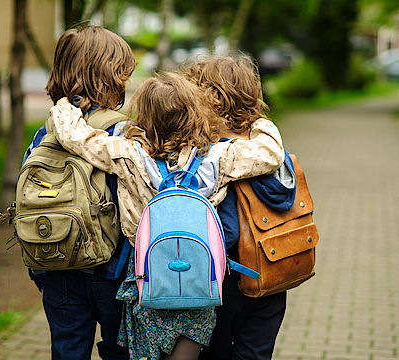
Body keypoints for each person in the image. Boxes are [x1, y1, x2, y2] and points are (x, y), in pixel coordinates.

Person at [47, 71, 286, 360]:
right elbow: (271, 153)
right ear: (195, 113)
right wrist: (257, 119)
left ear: (143, 117)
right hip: (199, 285)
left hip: (147, 281)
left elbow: (76, 137)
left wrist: (64, 104)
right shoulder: (216, 158)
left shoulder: (128, 156)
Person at [22, 24, 136, 360]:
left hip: (56, 263)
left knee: (68, 349)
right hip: (113, 269)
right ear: (111, 77)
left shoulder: (47, 132)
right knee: (120, 351)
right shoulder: (122, 132)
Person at [182, 55, 295, 360]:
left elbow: (225, 231)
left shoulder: (211, 156)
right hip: (273, 272)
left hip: (224, 282)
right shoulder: (272, 150)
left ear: (210, 99)